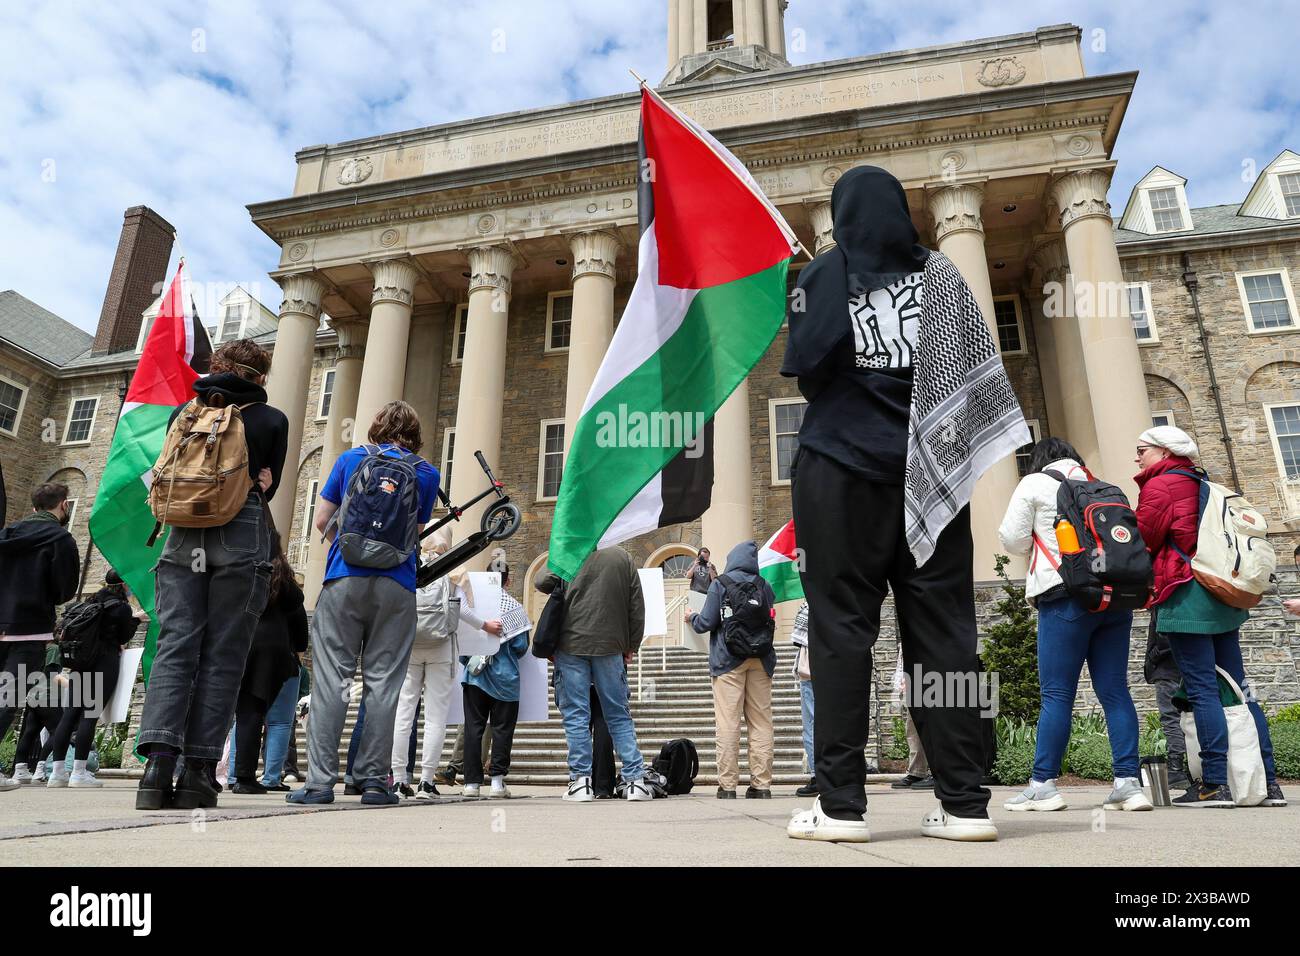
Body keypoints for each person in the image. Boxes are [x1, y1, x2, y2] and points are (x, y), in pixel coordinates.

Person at [782, 166, 1025, 843]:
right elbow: (974, 371)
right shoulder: (943, 275)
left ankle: (839, 809)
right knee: (946, 637)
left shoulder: (819, 277)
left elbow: (805, 373)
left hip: (836, 472)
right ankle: (966, 805)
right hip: (932, 473)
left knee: (839, 633)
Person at [135, 339, 288, 811]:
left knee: (176, 646)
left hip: (183, 531)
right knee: (224, 652)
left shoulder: (184, 411)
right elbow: (270, 485)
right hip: (238, 530)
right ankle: (199, 772)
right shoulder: (270, 419)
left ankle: (157, 766)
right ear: (260, 377)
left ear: (217, 366)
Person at [289, 400, 438, 807]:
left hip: (344, 579)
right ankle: (373, 782)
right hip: (397, 584)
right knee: (383, 686)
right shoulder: (426, 473)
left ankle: (319, 784)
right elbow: (416, 533)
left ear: (375, 427)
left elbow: (322, 519)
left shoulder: (351, 459)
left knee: (331, 684)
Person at [1134, 425, 1286, 808]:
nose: (1137, 457)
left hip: (1186, 597)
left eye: (1142, 450)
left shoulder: (1161, 486)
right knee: (1239, 688)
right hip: (1221, 595)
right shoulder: (1205, 483)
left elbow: (1143, 540)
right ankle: (1266, 781)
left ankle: (1214, 782)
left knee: (1201, 688)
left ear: (1164, 452)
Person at [997, 437, 1152, 812]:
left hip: (1064, 594)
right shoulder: (1101, 486)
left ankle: (1043, 785)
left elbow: (1012, 540)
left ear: (1039, 460)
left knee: (1057, 694)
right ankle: (1128, 785)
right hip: (1114, 598)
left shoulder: (1034, 483)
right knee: (1115, 690)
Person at [536, 547, 651, 802]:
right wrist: (632, 644)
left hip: (571, 644)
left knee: (576, 715)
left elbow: (541, 581)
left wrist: (562, 547)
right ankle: (635, 780)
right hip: (610, 645)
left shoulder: (569, 552)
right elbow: (636, 604)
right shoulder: (622, 557)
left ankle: (581, 782)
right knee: (618, 714)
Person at [392, 532, 501, 799]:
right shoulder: (452, 569)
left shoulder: (407, 563)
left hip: (410, 645)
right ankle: (426, 782)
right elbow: (461, 609)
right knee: (435, 717)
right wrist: (484, 625)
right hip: (441, 647)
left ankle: (398, 779)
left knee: (404, 714)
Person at [1, 482, 80, 791]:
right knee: (7, 696)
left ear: (33, 507)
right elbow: (64, 591)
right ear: (63, 506)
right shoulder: (61, 538)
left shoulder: (6, 534)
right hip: (28, 629)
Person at [686, 540, 776, 799]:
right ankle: (762, 785)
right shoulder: (764, 586)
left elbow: (706, 623)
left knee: (728, 722)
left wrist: (691, 617)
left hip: (728, 660)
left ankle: (727, 786)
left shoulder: (720, 584)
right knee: (761, 722)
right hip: (761, 658)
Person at [43, 570, 141, 788]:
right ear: (124, 584)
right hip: (103, 662)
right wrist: (135, 620)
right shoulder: (120, 607)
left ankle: (57, 773)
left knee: (70, 715)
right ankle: (79, 772)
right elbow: (124, 636)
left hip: (79, 663)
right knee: (90, 716)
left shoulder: (91, 601)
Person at [227, 534, 307, 794]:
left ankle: (236, 775)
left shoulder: (244, 575)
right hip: (281, 657)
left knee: (246, 715)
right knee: (280, 722)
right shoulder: (287, 589)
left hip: (245, 649)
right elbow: (302, 634)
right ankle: (270, 777)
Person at [459, 565, 530, 799]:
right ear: (507, 581)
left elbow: (462, 649)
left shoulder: (473, 608)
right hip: (506, 679)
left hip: (475, 677)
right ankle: (497, 782)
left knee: (473, 729)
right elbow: (521, 647)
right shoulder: (515, 609)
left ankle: (471, 783)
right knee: (502, 730)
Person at [1143, 612, 1192, 791]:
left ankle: (1176, 768)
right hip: (1187, 667)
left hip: (1168, 668)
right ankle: (1189, 768)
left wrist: (1154, 656)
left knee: (1171, 718)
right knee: (1190, 717)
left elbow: (1165, 635)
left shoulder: (1167, 596)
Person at [890, 657, 934, 791]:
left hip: (933, 679)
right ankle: (917, 772)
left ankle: (939, 773)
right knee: (913, 729)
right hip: (914, 682)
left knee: (936, 727)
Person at [790, 601, 818, 798]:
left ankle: (818, 775)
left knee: (812, 725)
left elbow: (799, 637)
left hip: (812, 670)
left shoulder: (809, 604)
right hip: (838, 668)